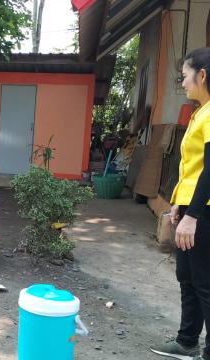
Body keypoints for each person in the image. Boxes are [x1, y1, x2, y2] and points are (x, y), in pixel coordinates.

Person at [151, 48, 210, 360]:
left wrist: (194, 215)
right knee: (187, 277)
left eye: (185, 76)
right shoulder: (201, 111)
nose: (183, 83)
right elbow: (192, 166)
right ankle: (187, 341)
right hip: (192, 206)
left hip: (204, 211)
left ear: (202, 75)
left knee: (204, 281)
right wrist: (178, 202)